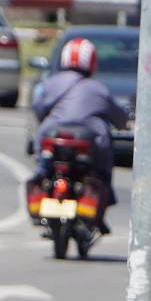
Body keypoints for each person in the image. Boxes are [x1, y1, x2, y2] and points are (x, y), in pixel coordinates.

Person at [31, 37, 125, 233]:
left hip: (51, 136)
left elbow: (39, 110)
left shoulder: (51, 83)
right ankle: (101, 207)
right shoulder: (98, 89)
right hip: (88, 143)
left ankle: (41, 185)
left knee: (41, 169)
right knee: (103, 170)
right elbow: (119, 118)